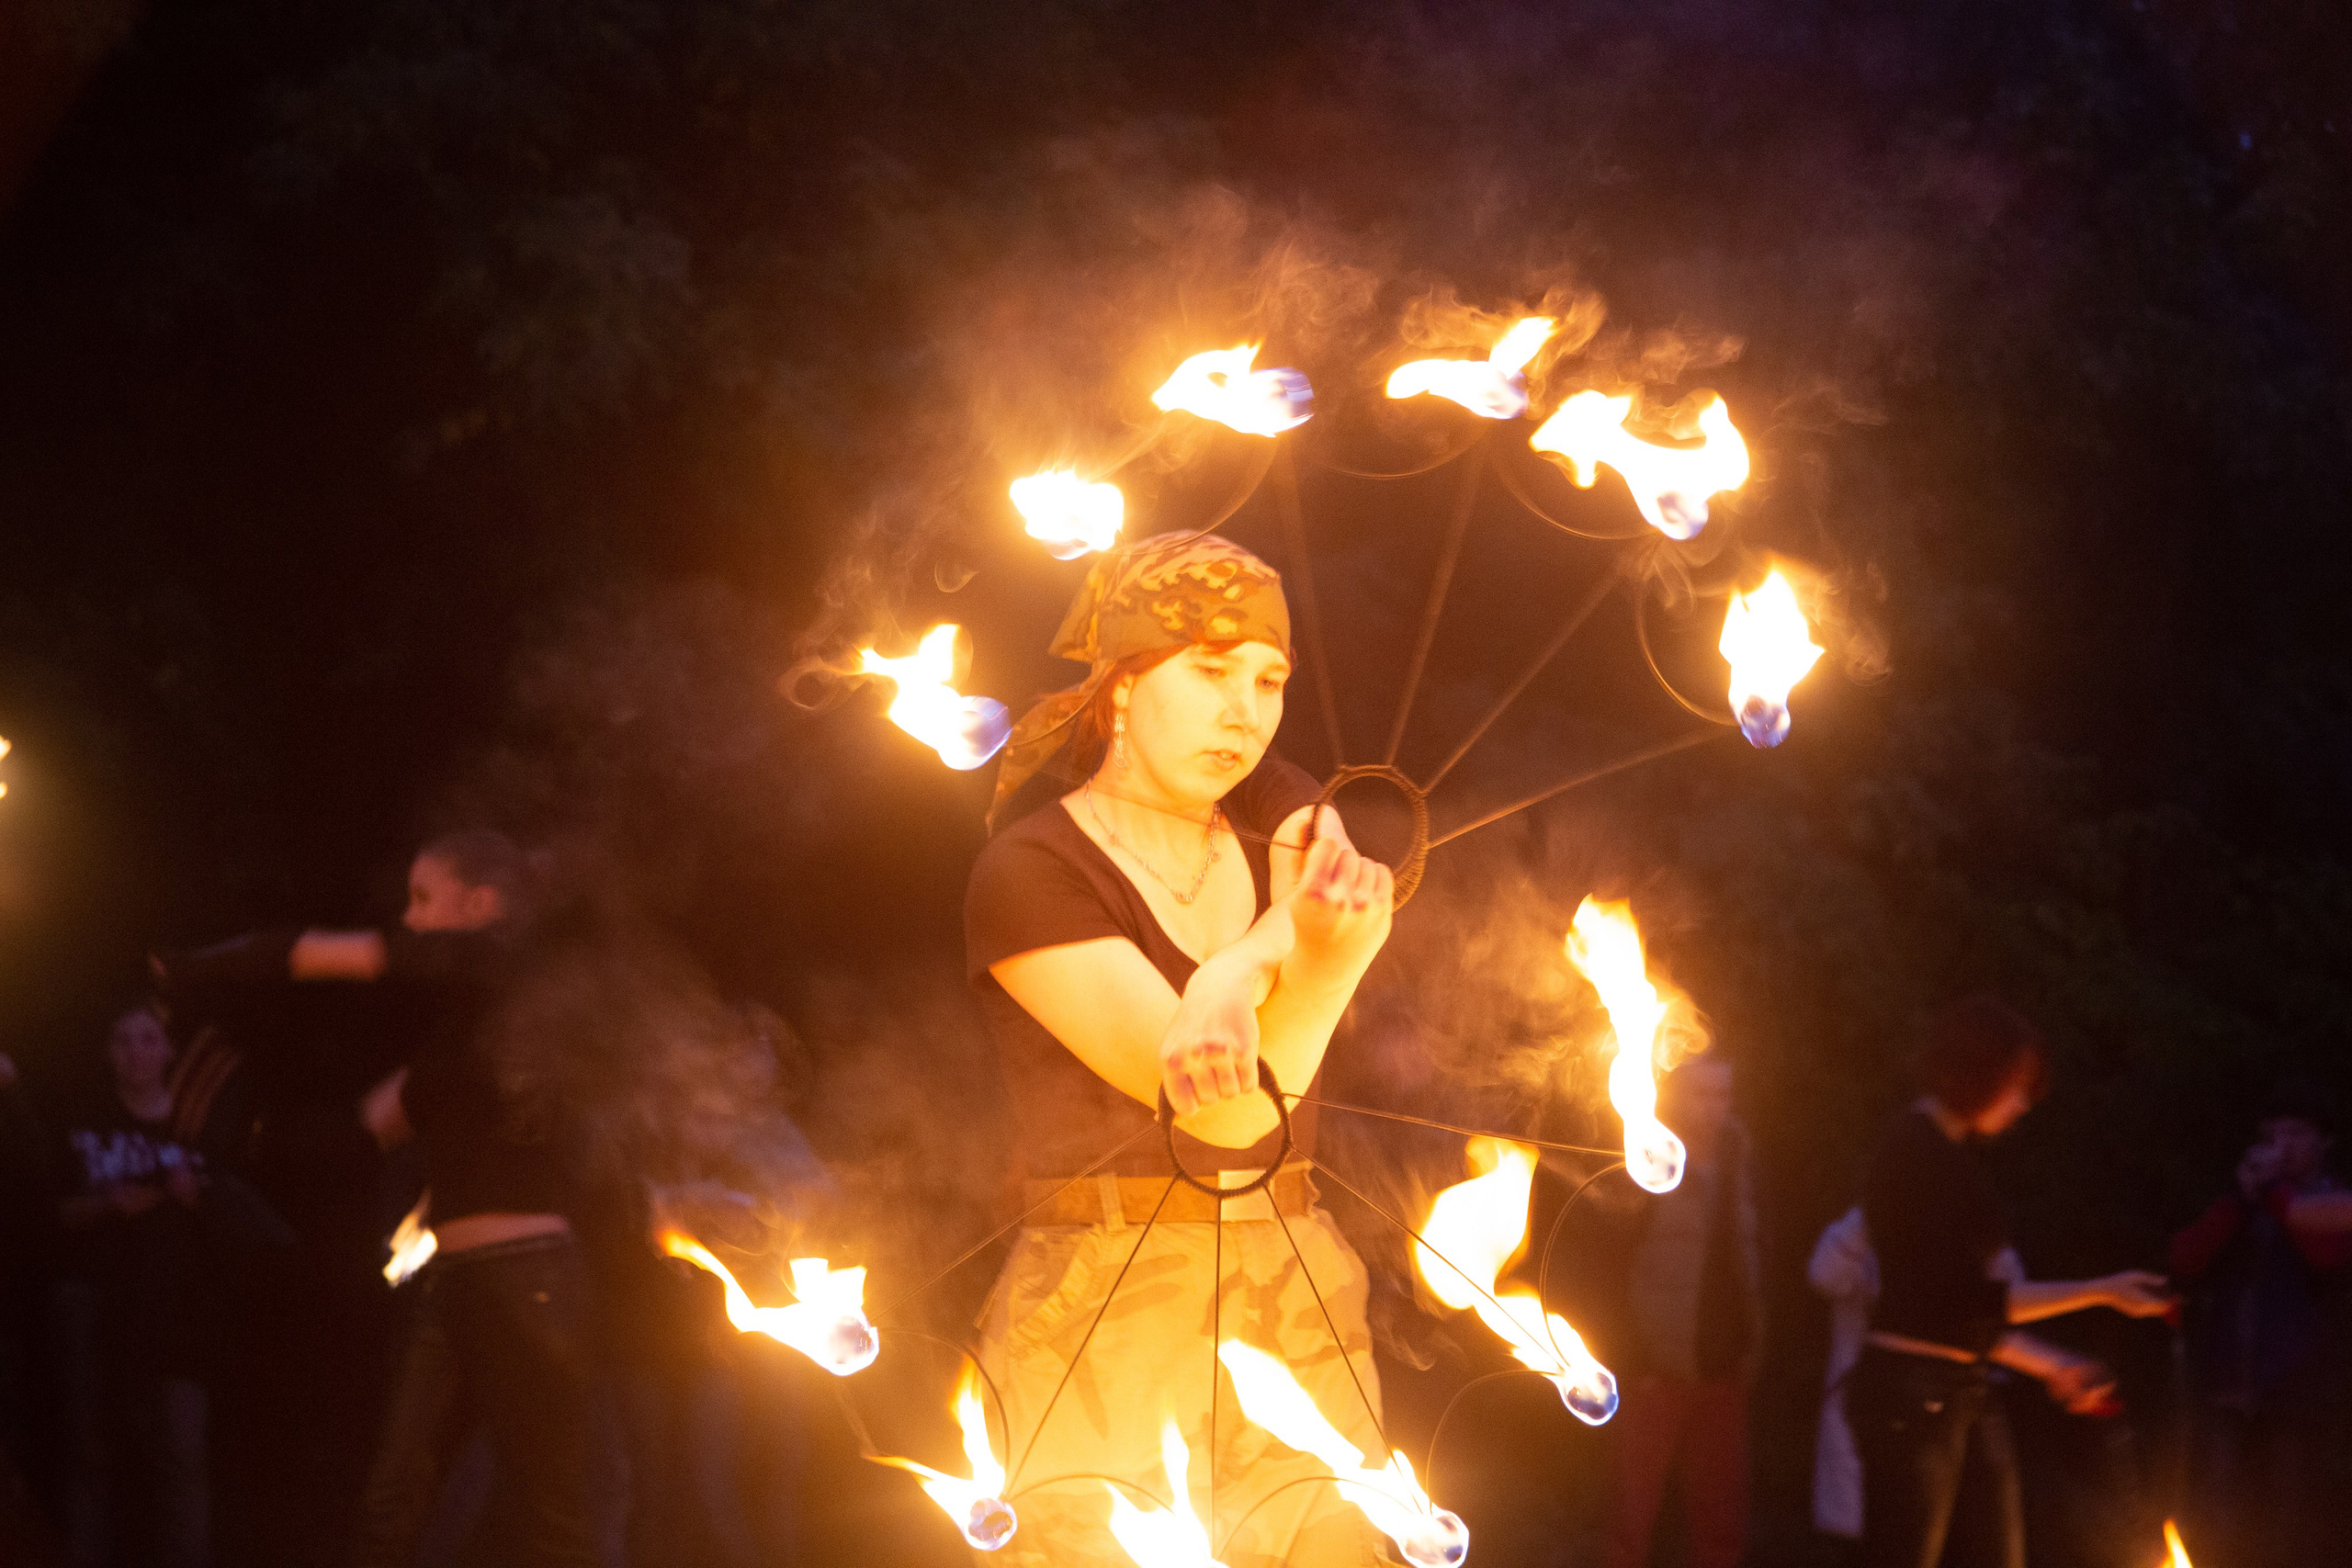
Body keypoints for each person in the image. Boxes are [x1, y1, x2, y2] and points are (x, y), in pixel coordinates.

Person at [965, 532, 1396, 1568]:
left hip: (1294, 1284)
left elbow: (1305, 825)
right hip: (1106, 1314)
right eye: (1209, 670)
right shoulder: (1029, 871)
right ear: (1119, 685)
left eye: (1268, 680)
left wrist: (1232, 970)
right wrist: (1324, 965)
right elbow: (1228, 1127)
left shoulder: (1277, 828)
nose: (1244, 711)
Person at [156, 829, 603, 1568]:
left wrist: (193, 965)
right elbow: (364, 1132)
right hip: (452, 1286)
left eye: (424, 898)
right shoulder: (451, 1045)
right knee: (391, 1494)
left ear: (481, 904)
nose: (410, 917)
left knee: (554, 1508)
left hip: (532, 1281)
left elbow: (319, 952)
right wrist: (250, 1135)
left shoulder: (507, 969)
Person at [1849, 996, 2173, 1568]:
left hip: (1964, 1389)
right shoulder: (1912, 1153)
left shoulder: (1950, 1157)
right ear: (1975, 1074)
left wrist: (2054, 1365)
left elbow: (1965, 1315)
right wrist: (2102, 1290)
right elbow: (1960, 1304)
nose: (2024, 1103)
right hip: (1912, 1394)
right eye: (2015, 1084)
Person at [51, 1003, 220, 1568]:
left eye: (148, 1039)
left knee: (181, 1452)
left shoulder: (195, 1126)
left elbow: (232, 1210)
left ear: (168, 1051)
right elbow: (55, 1211)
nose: (135, 1052)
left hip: (175, 1314)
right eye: (122, 1040)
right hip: (98, 1309)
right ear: (108, 1053)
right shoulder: (87, 1126)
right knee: (93, 1448)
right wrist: (107, 1205)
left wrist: (196, 1198)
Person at [2169, 1086, 2351, 1568]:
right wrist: (2239, 1198)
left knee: (2287, 1526)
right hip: (2229, 1388)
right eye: (2273, 1134)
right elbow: (2184, 1259)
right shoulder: (2241, 1202)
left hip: (2299, 1394)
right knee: (2219, 1524)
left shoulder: (2332, 1200)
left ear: (2324, 1142)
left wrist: (2271, 1193)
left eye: (2296, 1133)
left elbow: (2327, 1254)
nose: (2281, 1145)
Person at [1601, 1055, 1761, 1568]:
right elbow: (1615, 1262)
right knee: (1632, 1513)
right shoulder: (1651, 1162)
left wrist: (1750, 1345)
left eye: (1723, 1095)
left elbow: (1752, 1257)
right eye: (1703, 1094)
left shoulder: (1740, 1160)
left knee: (1720, 1516)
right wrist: (1633, 1351)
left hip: (1723, 1365)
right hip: (1657, 1368)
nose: (1715, 1108)